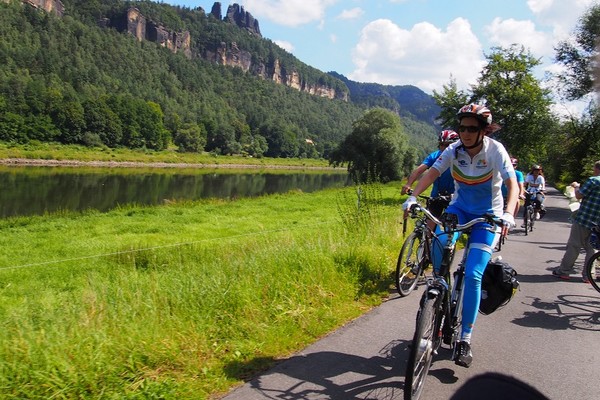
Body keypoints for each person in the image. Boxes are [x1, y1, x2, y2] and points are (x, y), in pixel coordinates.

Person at [403, 103, 517, 368]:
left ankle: (465, 337)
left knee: (475, 273)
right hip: (459, 209)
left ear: (484, 130)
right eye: (462, 128)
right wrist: (413, 197)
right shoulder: (454, 150)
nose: (465, 133)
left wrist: (509, 213)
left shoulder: (495, 150)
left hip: (488, 215)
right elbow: (432, 172)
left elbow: (512, 184)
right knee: (440, 243)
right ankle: (441, 290)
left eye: (472, 128)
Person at [552, 160, 600, 282]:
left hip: (584, 218)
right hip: (598, 222)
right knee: (592, 248)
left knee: (574, 245)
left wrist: (576, 187)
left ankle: (564, 271)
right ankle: (588, 275)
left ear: (597, 169)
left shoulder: (593, 181)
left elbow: (579, 196)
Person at [402, 129, 459, 221]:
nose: (443, 148)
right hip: (436, 195)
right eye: (441, 144)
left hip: (455, 197)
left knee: (455, 226)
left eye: (447, 145)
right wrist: (408, 184)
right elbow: (419, 170)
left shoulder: (461, 157)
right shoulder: (435, 156)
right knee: (430, 223)